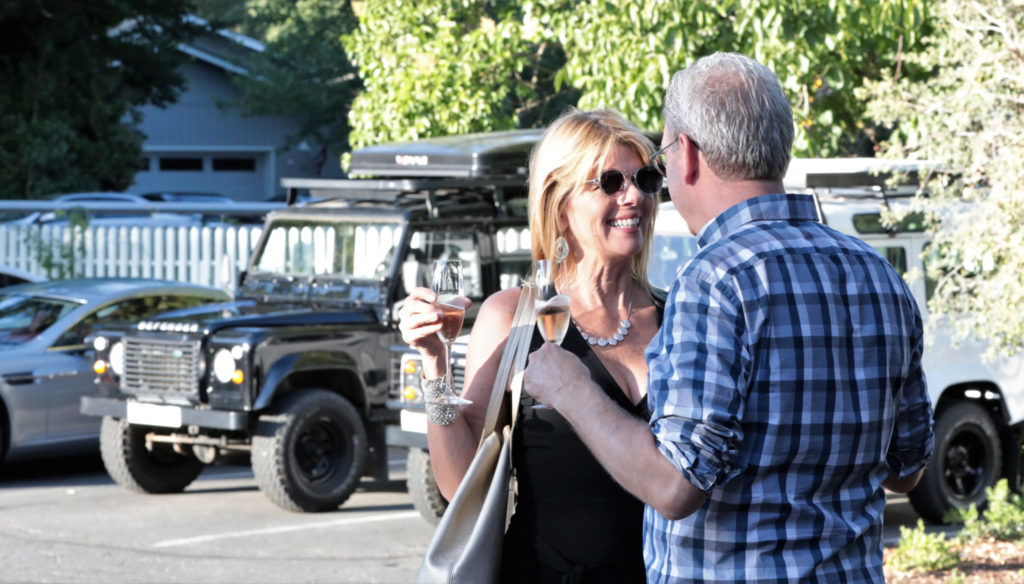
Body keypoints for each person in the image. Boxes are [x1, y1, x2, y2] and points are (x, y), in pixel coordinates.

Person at [523, 52, 935, 583]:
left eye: (661, 160)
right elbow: (907, 471)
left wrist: (573, 391)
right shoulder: (880, 278)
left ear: (688, 155)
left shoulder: (713, 281)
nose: (659, 181)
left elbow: (675, 488)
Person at [399, 108, 666, 583]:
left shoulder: (678, 315)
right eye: (608, 183)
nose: (634, 196)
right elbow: (459, 481)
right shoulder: (514, 316)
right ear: (560, 207)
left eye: (644, 179)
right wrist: (435, 366)